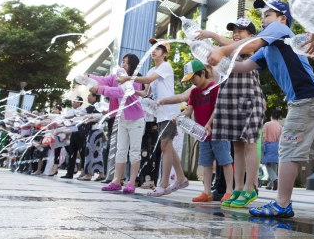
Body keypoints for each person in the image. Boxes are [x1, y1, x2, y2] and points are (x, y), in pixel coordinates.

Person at [208, 0, 314, 218]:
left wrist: (221, 49)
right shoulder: (268, 45)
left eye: (268, 14)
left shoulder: (279, 29)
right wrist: (214, 59)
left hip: (305, 96)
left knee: (287, 147)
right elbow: (242, 66)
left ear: (282, 18)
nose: (264, 19)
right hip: (305, 97)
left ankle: (282, 203)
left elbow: (249, 46)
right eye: (263, 16)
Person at [195, 17, 265, 208]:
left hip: (250, 101)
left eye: (240, 31)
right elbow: (219, 84)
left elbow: (244, 48)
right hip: (230, 102)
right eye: (233, 31)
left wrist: (213, 35)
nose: (236, 34)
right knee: (237, 148)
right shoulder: (226, 54)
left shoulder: (253, 47)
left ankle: (250, 189)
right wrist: (213, 118)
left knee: (250, 145)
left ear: (251, 35)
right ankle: (238, 188)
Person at [119, 39, 188, 196]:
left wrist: (128, 79)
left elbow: (148, 81)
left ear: (165, 53)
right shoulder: (151, 70)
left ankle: (163, 184)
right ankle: (182, 178)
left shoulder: (165, 66)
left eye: (158, 48)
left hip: (170, 112)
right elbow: (146, 92)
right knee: (168, 146)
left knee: (165, 146)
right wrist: (132, 91)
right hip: (161, 114)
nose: (154, 50)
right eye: (153, 48)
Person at [162, 60, 234, 202]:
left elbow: (218, 108)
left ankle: (229, 191)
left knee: (225, 161)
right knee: (206, 163)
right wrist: (179, 116)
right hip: (202, 134)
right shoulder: (194, 92)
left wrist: (209, 123)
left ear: (202, 73)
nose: (192, 82)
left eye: (193, 78)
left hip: (218, 132)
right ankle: (207, 192)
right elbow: (189, 110)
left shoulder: (214, 87)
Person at [95, 53, 146, 194]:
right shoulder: (116, 77)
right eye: (122, 61)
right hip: (122, 120)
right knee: (121, 151)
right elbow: (103, 79)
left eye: (127, 63)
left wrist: (99, 90)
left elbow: (118, 92)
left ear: (133, 65)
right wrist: (89, 78)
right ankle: (116, 181)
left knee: (134, 152)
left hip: (136, 120)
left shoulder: (135, 80)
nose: (123, 64)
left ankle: (131, 183)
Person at [78, 92, 105, 181]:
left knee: (89, 151)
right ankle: (101, 173)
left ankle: (88, 174)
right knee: (97, 152)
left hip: (95, 130)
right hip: (98, 130)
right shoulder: (97, 106)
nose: (88, 97)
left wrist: (88, 118)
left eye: (89, 95)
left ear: (95, 97)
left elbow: (101, 116)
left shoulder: (96, 105)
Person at [60, 97, 87, 179]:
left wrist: (70, 120)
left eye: (75, 101)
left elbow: (77, 120)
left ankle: (83, 171)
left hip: (81, 134)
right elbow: (65, 119)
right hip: (73, 133)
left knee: (82, 153)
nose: (73, 103)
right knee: (71, 153)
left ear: (79, 102)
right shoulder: (70, 111)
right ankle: (70, 172)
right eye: (73, 101)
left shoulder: (83, 111)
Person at [261, 111, 281, 190]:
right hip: (277, 146)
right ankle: (270, 184)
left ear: (271, 116)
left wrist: (262, 144)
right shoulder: (280, 126)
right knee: (274, 165)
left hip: (268, 145)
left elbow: (263, 135)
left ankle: (275, 179)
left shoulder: (267, 124)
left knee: (268, 165)